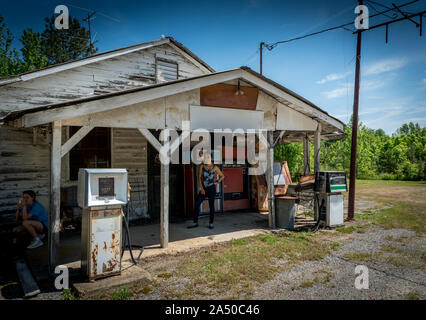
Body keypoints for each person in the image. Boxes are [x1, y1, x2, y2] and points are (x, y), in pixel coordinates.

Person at [188, 151, 224, 229]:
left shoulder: (215, 167)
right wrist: (201, 188)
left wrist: (217, 182)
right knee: (197, 204)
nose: (207, 159)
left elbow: (222, 176)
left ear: (211, 158)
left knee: (211, 205)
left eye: (208, 157)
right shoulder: (202, 166)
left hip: (211, 189)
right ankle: (195, 222)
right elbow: (199, 178)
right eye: (205, 157)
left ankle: (211, 223)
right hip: (204, 189)